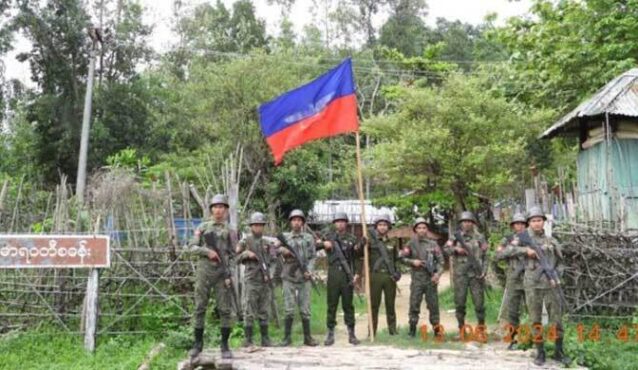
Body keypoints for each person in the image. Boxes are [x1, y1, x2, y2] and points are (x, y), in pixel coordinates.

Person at [187, 194, 237, 359]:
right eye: (215, 207)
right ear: (211, 210)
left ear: (226, 210)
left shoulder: (231, 230)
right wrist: (207, 251)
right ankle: (198, 344)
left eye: (221, 207)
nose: (218, 210)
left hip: (222, 274)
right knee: (200, 307)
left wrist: (229, 273)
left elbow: (234, 255)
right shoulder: (202, 228)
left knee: (224, 309)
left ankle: (224, 345)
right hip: (204, 272)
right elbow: (191, 247)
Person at [523, 206, 570, 366]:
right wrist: (525, 251)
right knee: (535, 320)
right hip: (533, 285)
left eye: (539, 220)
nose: (536, 223)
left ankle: (559, 351)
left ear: (544, 222)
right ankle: (540, 352)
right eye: (533, 221)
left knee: (556, 320)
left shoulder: (552, 241)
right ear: (529, 223)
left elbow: (561, 263)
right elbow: (507, 251)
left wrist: (556, 276)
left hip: (551, 286)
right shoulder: (523, 240)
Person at [277, 209, 323, 346]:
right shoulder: (285, 237)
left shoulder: (308, 238)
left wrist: (309, 270)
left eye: (299, 220)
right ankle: (286, 338)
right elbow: (272, 250)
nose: (296, 223)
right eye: (294, 220)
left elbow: (312, 256)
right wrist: (281, 250)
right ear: (290, 222)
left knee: (305, 308)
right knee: (289, 307)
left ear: (302, 223)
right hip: (288, 276)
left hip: (304, 277)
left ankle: (307, 338)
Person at [319, 212, 361, 345]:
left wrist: (357, 274)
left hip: (347, 274)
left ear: (346, 223)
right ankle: (330, 333)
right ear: (334, 223)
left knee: (348, 305)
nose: (340, 223)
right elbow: (314, 246)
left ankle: (351, 333)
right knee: (332, 304)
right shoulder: (328, 236)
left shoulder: (352, 238)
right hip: (333, 274)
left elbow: (357, 257)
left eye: (343, 221)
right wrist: (323, 244)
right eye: (337, 221)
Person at [445, 211, 489, 337]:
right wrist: (456, 249)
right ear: (461, 223)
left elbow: (486, 256)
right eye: (464, 221)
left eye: (469, 221)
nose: (467, 224)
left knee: (479, 304)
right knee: (460, 304)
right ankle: (461, 330)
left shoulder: (480, 237)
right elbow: (446, 249)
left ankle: (481, 330)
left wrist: (484, 271)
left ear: (473, 223)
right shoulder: (455, 237)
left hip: (476, 275)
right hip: (460, 275)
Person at [236, 212, 275, 347]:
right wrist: (247, 253)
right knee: (249, 310)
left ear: (263, 227)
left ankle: (265, 339)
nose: (258, 228)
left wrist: (270, 274)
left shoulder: (268, 243)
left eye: (260, 225)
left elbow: (274, 259)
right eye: (255, 225)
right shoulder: (245, 241)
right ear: (251, 227)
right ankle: (248, 339)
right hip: (251, 280)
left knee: (264, 310)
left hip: (264, 280)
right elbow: (235, 257)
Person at [400, 217, 444, 338]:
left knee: (433, 306)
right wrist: (412, 261)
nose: (421, 230)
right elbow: (401, 257)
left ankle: (437, 331)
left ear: (427, 229)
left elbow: (441, 262)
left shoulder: (433, 244)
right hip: (417, 280)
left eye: (424, 227)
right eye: (419, 228)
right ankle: (412, 330)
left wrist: (437, 274)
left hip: (431, 280)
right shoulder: (410, 244)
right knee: (414, 305)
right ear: (415, 230)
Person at [495, 213, 528, 350]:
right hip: (513, 279)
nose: (519, 226)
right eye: (516, 224)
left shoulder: (531, 238)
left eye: (521, 223)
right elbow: (498, 255)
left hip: (529, 278)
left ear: (525, 225)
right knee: (513, 311)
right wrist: (514, 249)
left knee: (532, 310)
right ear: (513, 226)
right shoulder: (507, 239)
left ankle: (531, 339)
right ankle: (514, 339)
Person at [367, 214, 400, 336]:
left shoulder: (393, 241)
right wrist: (363, 243)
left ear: (388, 227)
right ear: (376, 227)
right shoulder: (369, 241)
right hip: (375, 276)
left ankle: (392, 330)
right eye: (380, 225)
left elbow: (396, 259)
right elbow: (360, 254)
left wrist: (398, 273)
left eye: (384, 225)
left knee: (390, 305)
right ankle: (372, 331)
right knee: (374, 305)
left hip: (389, 277)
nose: (382, 227)